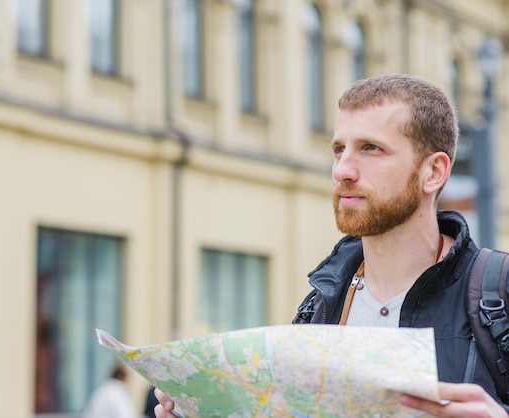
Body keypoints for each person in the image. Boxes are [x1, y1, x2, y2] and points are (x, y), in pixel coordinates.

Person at [154, 74, 509, 417]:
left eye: (371, 148)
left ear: (433, 172)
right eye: (339, 149)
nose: (343, 170)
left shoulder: (498, 294)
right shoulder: (319, 308)